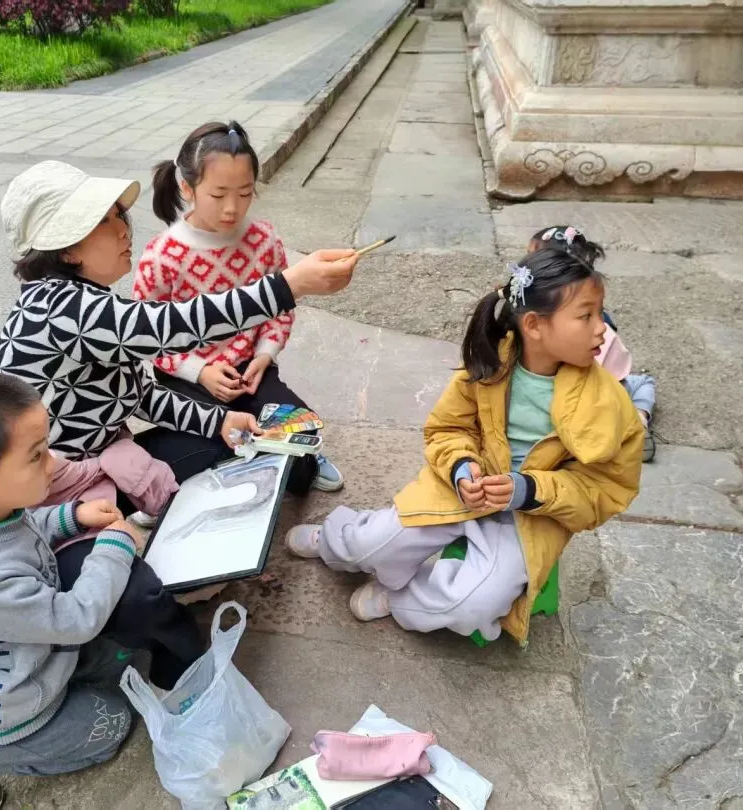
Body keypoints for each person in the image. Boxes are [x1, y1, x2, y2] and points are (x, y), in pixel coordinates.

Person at [284, 250, 644, 646]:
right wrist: (461, 467)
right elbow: (447, 428)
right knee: (374, 543)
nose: (602, 330)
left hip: (533, 517)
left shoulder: (609, 404)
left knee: (474, 604)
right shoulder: (490, 363)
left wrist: (530, 490)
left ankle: (401, 599)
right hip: (464, 489)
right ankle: (335, 542)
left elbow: (608, 490)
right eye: (586, 316)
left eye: (600, 314)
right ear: (534, 325)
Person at [0, 160, 358, 505]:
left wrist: (219, 421)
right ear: (66, 251)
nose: (123, 229)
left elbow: (137, 394)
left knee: (232, 438)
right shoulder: (62, 308)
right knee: (226, 452)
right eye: (104, 221)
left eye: (119, 215)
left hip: (97, 457)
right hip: (50, 491)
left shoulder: (74, 299)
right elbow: (178, 324)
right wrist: (290, 285)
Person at [0, 370, 168, 809]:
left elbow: (25, 529)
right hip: (6, 711)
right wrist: (115, 546)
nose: (54, 463)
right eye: (36, 456)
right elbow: (77, 619)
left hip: (25, 661)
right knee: (114, 722)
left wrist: (72, 517)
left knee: (128, 660)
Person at [133, 120, 342, 495]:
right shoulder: (162, 255)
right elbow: (145, 335)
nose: (232, 208)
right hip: (187, 378)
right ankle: (187, 467)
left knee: (300, 451)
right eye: (218, 195)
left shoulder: (264, 239)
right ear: (187, 187)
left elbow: (281, 309)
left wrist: (265, 355)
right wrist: (201, 371)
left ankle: (287, 457)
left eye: (245, 193)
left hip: (252, 369)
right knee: (219, 438)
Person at [528, 226, 658, 461]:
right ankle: (637, 416)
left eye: (532, 258)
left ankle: (630, 422)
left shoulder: (539, 319)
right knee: (642, 384)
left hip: (594, 391)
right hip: (606, 390)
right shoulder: (596, 313)